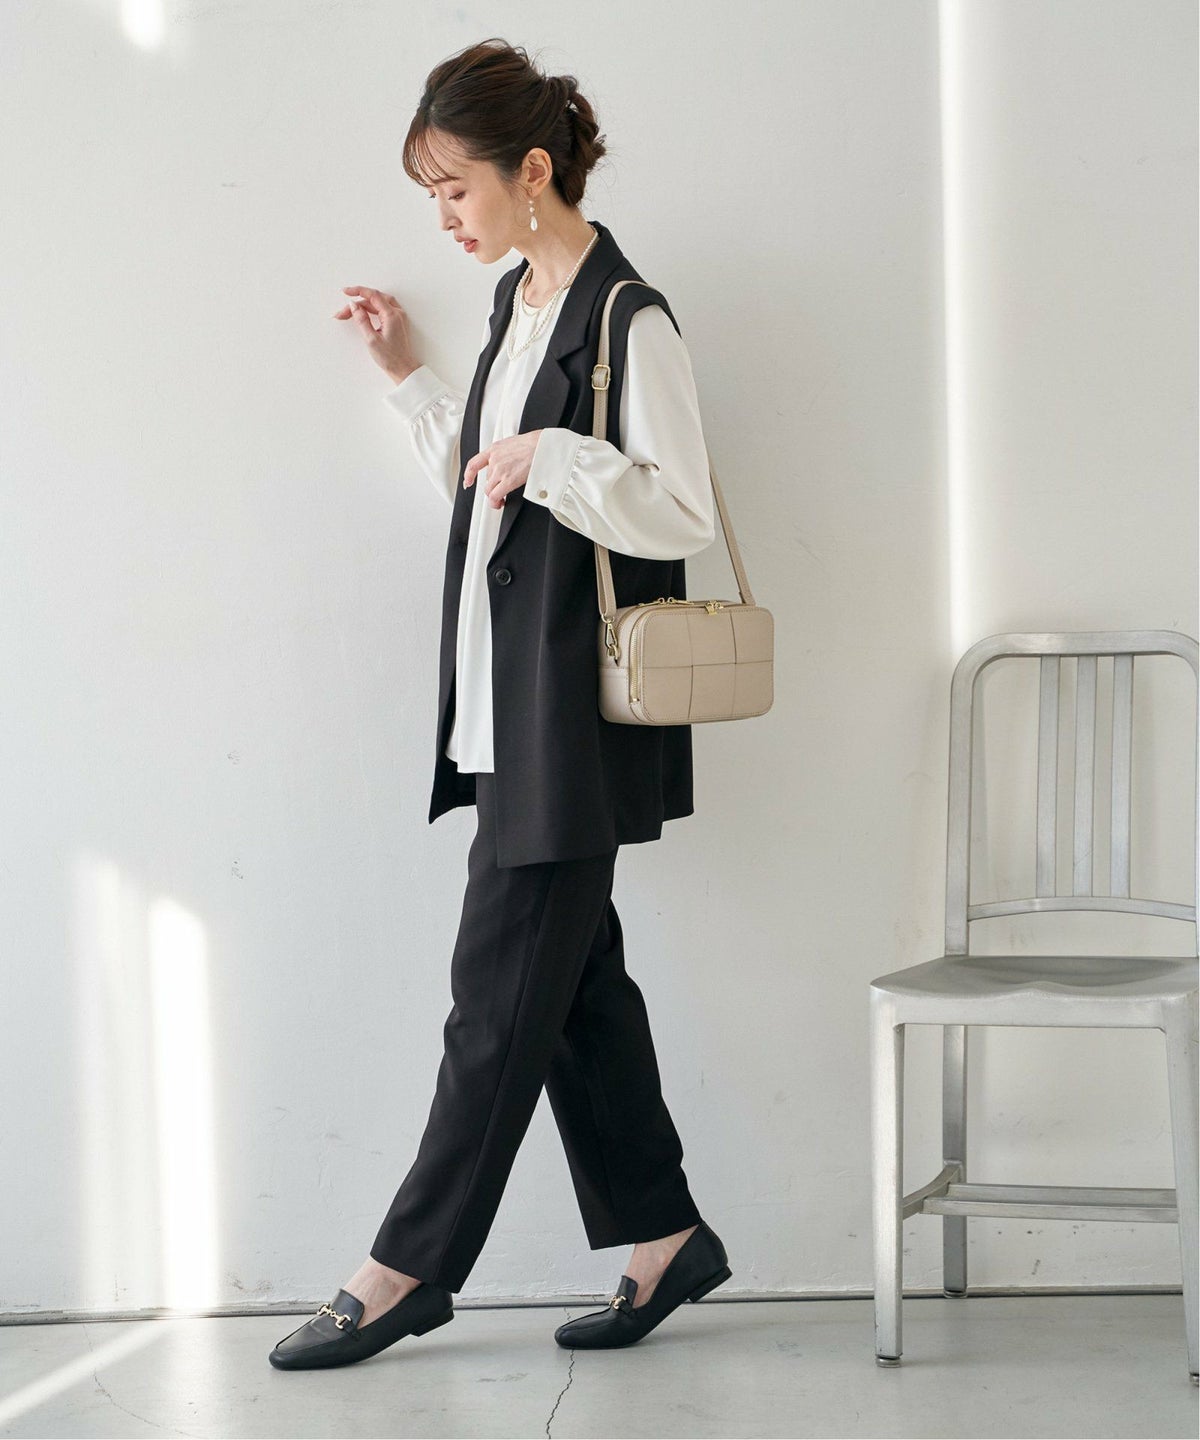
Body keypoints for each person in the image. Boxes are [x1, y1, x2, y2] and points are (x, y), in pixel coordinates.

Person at [270, 37, 731, 1371]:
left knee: (494, 999)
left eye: (455, 188)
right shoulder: (515, 307)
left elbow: (683, 509)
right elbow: (490, 484)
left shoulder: (629, 318)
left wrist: (562, 454)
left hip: (571, 720)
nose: (444, 217)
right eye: (430, 196)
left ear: (534, 171)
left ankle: (406, 1269)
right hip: (505, 706)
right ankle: (665, 1238)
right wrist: (411, 378)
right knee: (572, 988)